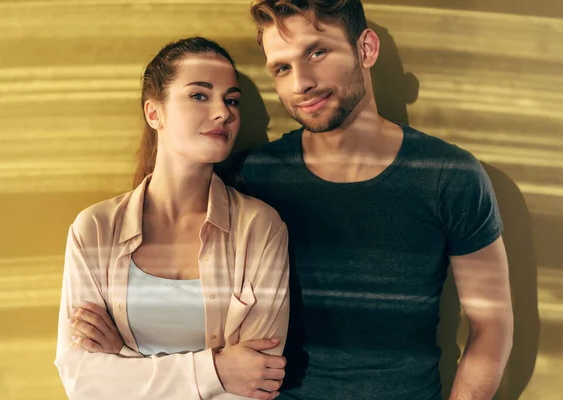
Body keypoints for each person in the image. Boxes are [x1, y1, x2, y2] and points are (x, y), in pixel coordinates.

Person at [219, 1, 513, 399]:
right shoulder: (251, 177)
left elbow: (491, 327)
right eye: (282, 68)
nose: (300, 83)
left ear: (366, 49)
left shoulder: (450, 175)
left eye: (317, 52)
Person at [55, 37, 290, 400]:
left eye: (231, 100)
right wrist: (217, 370)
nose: (223, 112)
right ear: (154, 113)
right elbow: (82, 381)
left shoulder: (260, 228)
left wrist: (122, 356)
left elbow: (257, 381)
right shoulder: (95, 229)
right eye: (199, 95)